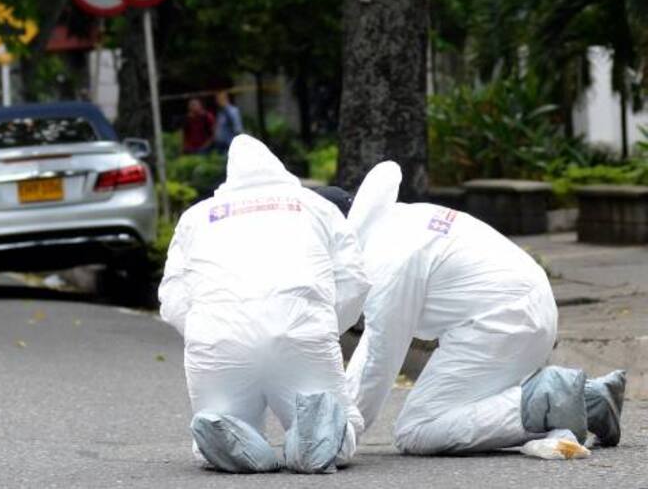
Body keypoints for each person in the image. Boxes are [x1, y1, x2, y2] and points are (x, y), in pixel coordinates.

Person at [319, 161, 626, 456]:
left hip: (504, 322)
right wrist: (342, 414)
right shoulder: (398, 222)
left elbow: (379, 357)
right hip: (520, 312)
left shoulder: (385, 260)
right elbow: (375, 344)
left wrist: (339, 433)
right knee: (454, 411)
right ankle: (573, 399)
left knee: (418, 428)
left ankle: (565, 399)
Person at [158, 135, 371, 474]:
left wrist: (206, 330)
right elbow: (354, 280)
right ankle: (317, 438)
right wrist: (325, 323)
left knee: (222, 424)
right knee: (338, 433)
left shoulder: (194, 217)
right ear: (278, 168)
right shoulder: (317, 207)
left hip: (218, 342)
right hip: (302, 335)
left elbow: (172, 297)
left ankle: (226, 430)